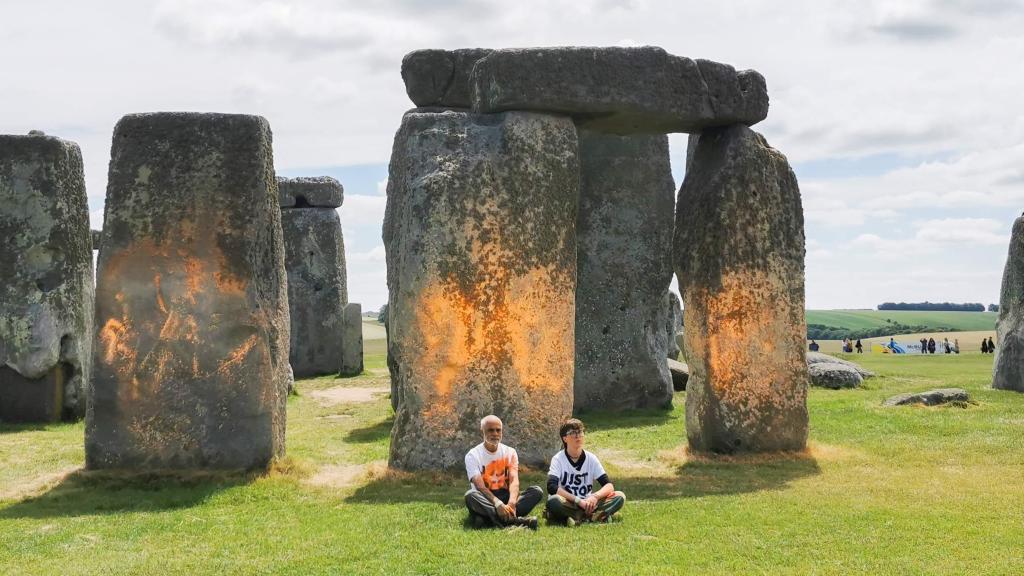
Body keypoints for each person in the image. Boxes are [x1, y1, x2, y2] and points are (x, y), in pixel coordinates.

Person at [464, 415, 543, 530]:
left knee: (536, 491)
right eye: (491, 430)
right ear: (482, 431)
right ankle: (516, 521)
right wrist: (498, 504)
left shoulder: (510, 452)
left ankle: (487, 519)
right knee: (470, 495)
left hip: (505, 496)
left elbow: (514, 480)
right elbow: (480, 486)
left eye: (498, 430)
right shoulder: (473, 455)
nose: (495, 433)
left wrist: (512, 503)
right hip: (485, 498)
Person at [545, 418, 625, 526]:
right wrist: (578, 501)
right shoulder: (558, 459)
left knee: (619, 496)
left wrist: (595, 497)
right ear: (565, 438)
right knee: (554, 500)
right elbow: (551, 487)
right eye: (573, 433)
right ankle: (596, 516)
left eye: (580, 432)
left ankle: (576, 518)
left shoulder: (591, 458)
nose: (577, 436)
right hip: (569, 502)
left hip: (588, 503)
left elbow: (608, 485)